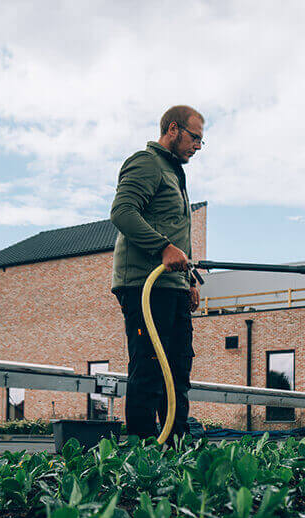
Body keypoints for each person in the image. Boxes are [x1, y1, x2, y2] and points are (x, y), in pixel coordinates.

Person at [110, 105, 204, 442]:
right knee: (149, 367)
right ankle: (142, 453)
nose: (197, 145)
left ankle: (176, 447)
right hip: (143, 284)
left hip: (172, 286)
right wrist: (162, 248)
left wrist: (189, 280)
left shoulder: (176, 173)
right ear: (174, 129)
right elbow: (122, 212)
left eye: (201, 141)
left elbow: (177, 234)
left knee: (177, 370)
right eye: (195, 137)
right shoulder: (146, 163)